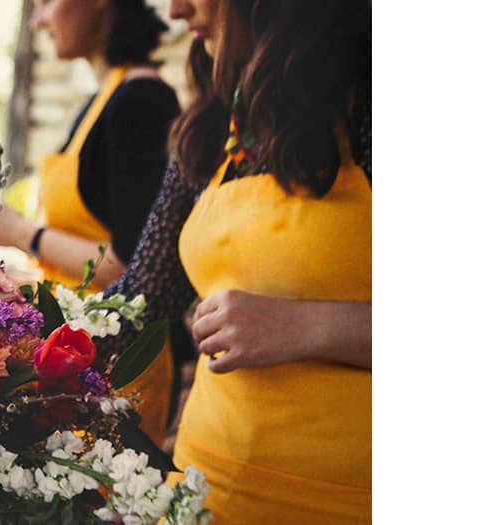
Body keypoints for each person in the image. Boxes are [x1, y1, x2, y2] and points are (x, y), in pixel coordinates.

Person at [100, 0, 372, 521]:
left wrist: (306, 325)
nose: (177, 10)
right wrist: (13, 339)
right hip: (204, 495)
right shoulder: (215, 126)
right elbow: (143, 298)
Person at [0, 0, 181, 445]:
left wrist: (22, 234)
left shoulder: (141, 103)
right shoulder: (101, 102)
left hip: (121, 363)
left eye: (45, 2)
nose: (39, 20)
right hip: (80, 352)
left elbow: (130, 267)